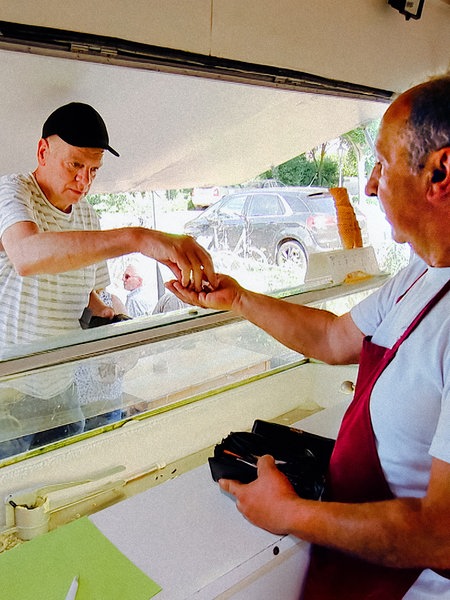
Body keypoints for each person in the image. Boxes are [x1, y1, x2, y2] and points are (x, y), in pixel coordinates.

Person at [167, 75, 450, 599]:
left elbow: (442, 534)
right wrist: (239, 298)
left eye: (382, 165)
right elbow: (333, 337)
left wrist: (290, 513)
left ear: (440, 172)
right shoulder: (423, 270)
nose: (368, 185)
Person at [0, 101, 215, 457]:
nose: (84, 180)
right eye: (75, 165)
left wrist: (116, 325)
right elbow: (26, 255)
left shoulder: (87, 214)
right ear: (43, 151)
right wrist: (137, 238)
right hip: (9, 387)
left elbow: (88, 294)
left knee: (71, 485)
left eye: (94, 170)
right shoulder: (12, 193)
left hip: (60, 382)